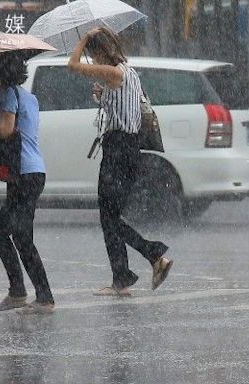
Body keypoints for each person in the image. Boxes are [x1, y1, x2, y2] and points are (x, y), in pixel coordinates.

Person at [67, 27, 173, 297]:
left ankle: (152, 256)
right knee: (110, 216)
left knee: (109, 217)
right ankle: (123, 276)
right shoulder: (129, 72)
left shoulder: (115, 73)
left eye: (93, 53)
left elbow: (72, 66)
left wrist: (83, 39)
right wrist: (104, 97)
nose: (92, 59)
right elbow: (126, 106)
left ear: (101, 51)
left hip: (118, 151)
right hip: (128, 150)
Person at [0, 55, 55, 314]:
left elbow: (6, 130)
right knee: (6, 232)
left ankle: (43, 297)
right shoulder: (28, 97)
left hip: (24, 174)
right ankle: (19, 291)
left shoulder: (9, 94)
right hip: (32, 173)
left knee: (18, 236)